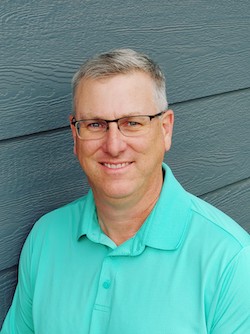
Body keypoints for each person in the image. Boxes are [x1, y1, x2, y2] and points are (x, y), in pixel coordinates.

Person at [1, 49, 250, 334]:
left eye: (132, 122)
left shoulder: (231, 262)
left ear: (165, 129)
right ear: (75, 135)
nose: (114, 145)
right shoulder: (45, 238)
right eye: (95, 124)